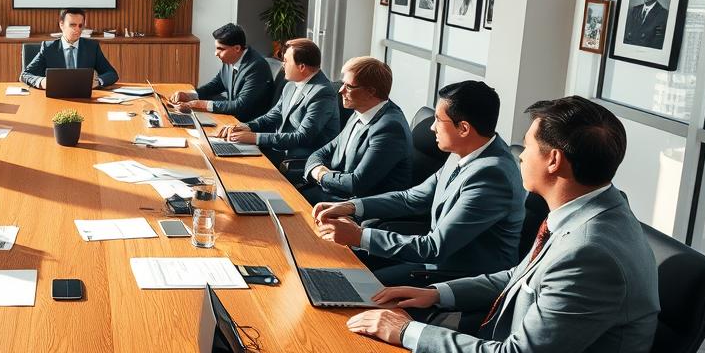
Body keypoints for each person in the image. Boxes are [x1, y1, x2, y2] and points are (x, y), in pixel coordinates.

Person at [347, 96, 658, 353]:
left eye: (527, 146)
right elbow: (518, 275)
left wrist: (408, 332)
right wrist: (435, 294)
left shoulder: (591, 252)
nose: (520, 154)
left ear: (554, 160)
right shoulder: (589, 213)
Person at [311, 81, 524, 286]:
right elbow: (411, 198)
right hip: (432, 257)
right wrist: (352, 207)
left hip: (459, 276)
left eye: (439, 120)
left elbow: (435, 248)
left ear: (464, 128)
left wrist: (359, 235)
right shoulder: (464, 151)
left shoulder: (492, 175)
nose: (432, 128)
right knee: (331, 265)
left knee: (354, 285)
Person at [215, 37, 339, 172]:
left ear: (302, 67)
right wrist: (245, 127)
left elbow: (302, 137)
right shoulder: (290, 85)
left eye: (286, 61)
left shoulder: (322, 93)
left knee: (238, 169)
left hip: (300, 160)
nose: (282, 65)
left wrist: (255, 137)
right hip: (280, 150)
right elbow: (272, 115)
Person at [300, 56, 412, 203]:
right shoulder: (360, 112)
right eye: (342, 83)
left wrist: (320, 175)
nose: (340, 90)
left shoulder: (390, 129)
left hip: (360, 207)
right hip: (335, 194)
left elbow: (357, 184)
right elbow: (324, 151)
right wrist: (316, 168)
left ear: (370, 91)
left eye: (349, 86)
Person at [167, 23, 272, 123]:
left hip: (247, 127)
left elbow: (240, 106)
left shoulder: (256, 67)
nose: (216, 53)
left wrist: (200, 104)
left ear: (237, 48)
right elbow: (216, 85)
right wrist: (189, 96)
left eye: (220, 49)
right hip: (231, 119)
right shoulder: (230, 60)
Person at [19, 8, 118, 89]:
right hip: (56, 98)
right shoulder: (48, 48)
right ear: (61, 25)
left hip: (84, 98)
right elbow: (25, 75)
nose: (77, 30)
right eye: (72, 25)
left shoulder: (92, 47)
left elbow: (112, 74)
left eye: (80, 25)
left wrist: (98, 82)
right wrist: (41, 82)